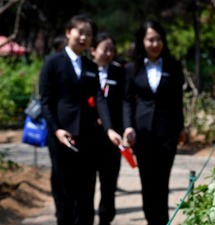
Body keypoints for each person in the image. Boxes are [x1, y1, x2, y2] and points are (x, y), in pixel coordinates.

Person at [39, 14, 122, 225]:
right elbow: (46, 102)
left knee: (86, 189)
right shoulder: (52, 62)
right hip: (62, 137)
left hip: (88, 137)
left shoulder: (91, 67)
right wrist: (56, 130)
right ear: (69, 32)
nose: (84, 37)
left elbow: (100, 100)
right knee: (64, 188)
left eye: (89, 34)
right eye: (80, 32)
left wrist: (109, 129)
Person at [123, 20, 185, 225]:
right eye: (150, 39)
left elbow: (178, 100)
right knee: (147, 184)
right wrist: (128, 126)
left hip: (167, 134)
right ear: (142, 42)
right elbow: (127, 101)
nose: (155, 44)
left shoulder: (174, 67)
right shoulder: (132, 68)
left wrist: (180, 129)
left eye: (158, 39)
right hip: (142, 134)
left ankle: (162, 222)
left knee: (162, 183)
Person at [90, 32, 125, 225]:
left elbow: (125, 102)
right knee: (86, 185)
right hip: (88, 137)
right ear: (93, 50)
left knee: (109, 185)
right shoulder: (85, 70)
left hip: (112, 139)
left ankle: (106, 219)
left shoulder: (120, 72)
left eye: (112, 49)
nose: (109, 53)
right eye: (105, 49)